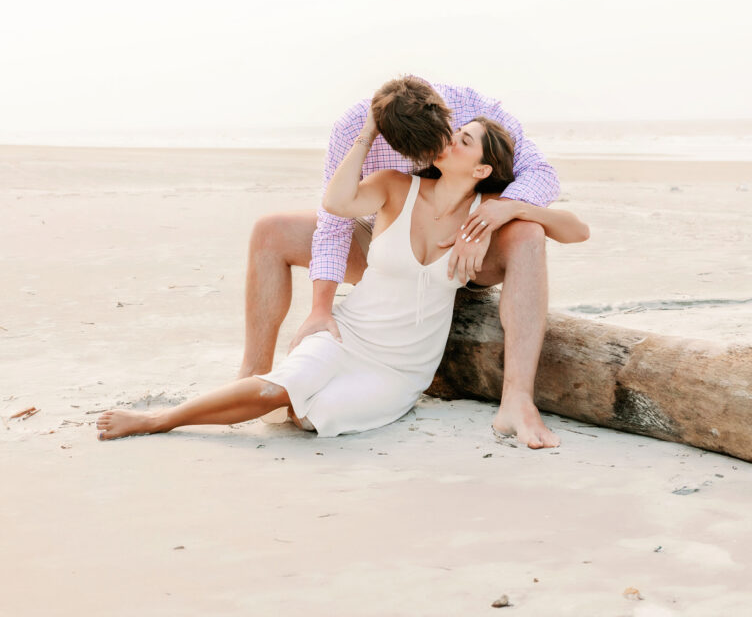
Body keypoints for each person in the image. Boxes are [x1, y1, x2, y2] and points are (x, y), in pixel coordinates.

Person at [96, 113, 587, 442]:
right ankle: (160, 420)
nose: (448, 139)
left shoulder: (486, 212)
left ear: (481, 169)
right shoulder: (398, 187)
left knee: (307, 417)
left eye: (461, 140)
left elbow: (576, 231)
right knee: (279, 391)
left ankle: (513, 404)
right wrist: (368, 133)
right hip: (347, 332)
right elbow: (336, 203)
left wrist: (515, 210)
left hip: (399, 370)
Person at [239, 76, 569, 448]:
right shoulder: (354, 127)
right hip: (394, 251)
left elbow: (543, 175)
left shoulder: (474, 108)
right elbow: (334, 220)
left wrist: (489, 218)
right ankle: (254, 373)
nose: (435, 158)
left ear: (448, 117)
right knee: (270, 231)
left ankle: (517, 398)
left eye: (444, 143)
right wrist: (321, 308)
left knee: (529, 234)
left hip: (468, 253)